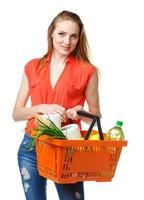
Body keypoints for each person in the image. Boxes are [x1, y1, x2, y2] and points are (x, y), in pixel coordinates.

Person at [12, 10, 101, 200]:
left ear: (79, 38)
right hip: (32, 148)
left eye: (73, 36)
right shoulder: (33, 67)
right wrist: (41, 107)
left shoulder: (88, 71)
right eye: (61, 34)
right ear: (51, 33)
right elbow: (17, 113)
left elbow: (96, 116)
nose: (67, 42)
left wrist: (80, 112)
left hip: (68, 149)